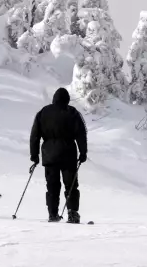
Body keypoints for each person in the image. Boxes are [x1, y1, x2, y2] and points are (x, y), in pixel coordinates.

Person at [30, 87, 88, 223]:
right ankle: (72, 213)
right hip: (69, 155)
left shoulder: (43, 112)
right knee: (71, 186)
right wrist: (83, 152)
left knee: (52, 186)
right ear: (67, 100)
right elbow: (81, 133)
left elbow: (35, 135)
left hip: (50, 155)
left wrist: (34, 155)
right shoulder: (72, 112)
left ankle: (53, 214)